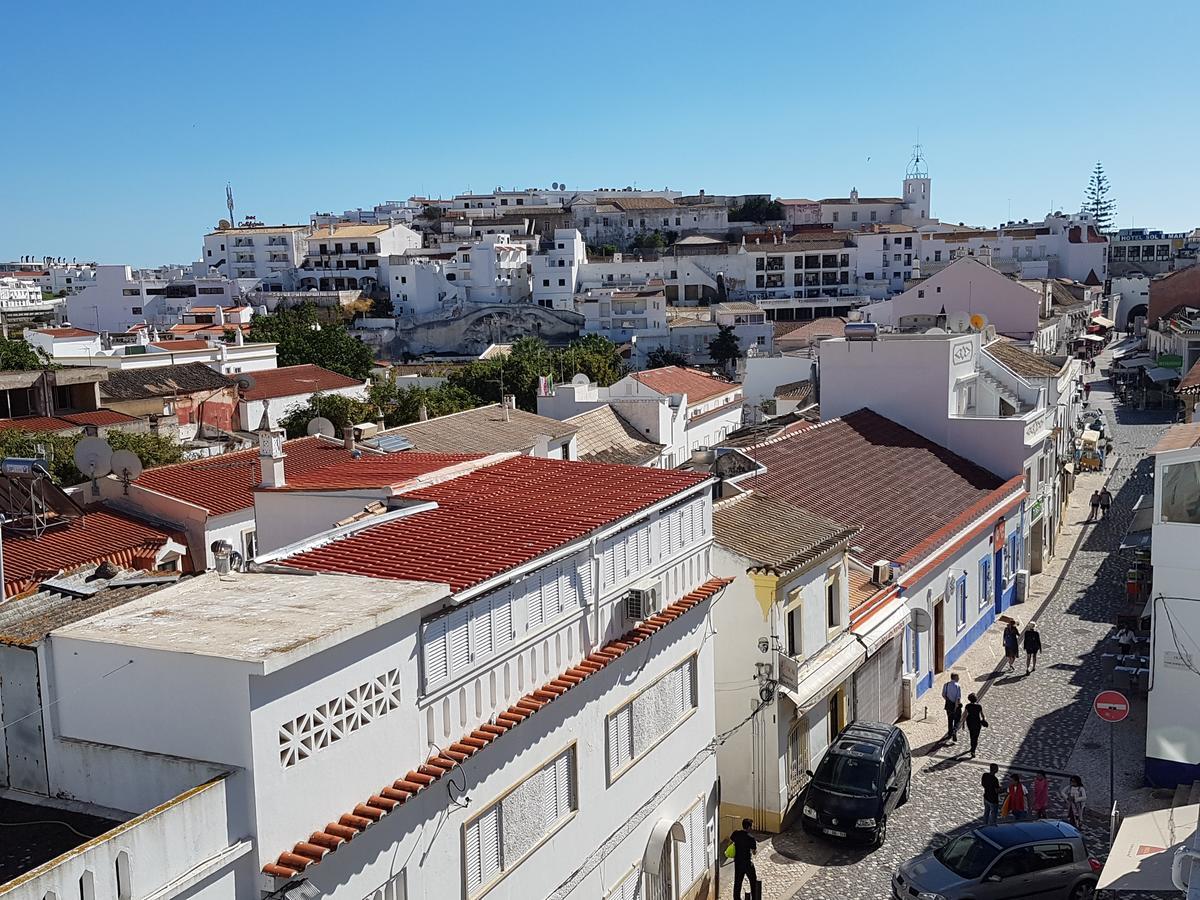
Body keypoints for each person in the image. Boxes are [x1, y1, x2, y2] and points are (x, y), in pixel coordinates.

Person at [730, 818, 758, 899]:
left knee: (737, 883)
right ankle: (754, 898)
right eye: (751, 827)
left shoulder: (736, 833)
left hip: (738, 863)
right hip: (747, 863)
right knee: (753, 881)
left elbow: (732, 840)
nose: (752, 828)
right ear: (749, 827)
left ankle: (736, 898)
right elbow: (754, 852)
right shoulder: (751, 838)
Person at [964, 693, 988, 757]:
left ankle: (972, 747)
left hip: (970, 722)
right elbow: (982, 715)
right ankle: (973, 750)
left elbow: (965, 715)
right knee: (976, 737)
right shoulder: (979, 706)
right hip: (977, 722)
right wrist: (984, 720)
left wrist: (963, 723)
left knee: (971, 735)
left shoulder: (967, 706)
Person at [942, 672, 963, 743]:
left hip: (948, 705)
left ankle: (950, 733)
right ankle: (954, 730)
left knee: (949, 719)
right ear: (955, 678)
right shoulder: (958, 686)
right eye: (958, 677)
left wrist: (948, 701)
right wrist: (956, 707)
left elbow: (943, 695)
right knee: (957, 720)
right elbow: (958, 698)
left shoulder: (946, 685)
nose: (959, 678)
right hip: (955, 705)